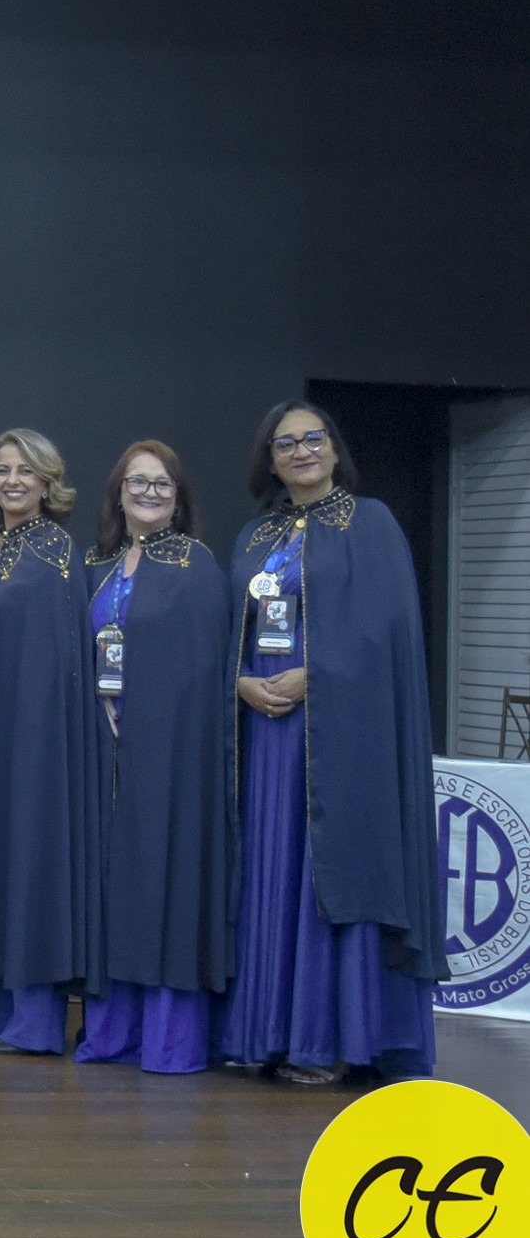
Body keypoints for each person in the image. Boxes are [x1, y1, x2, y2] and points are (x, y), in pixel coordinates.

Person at [220, 402, 441, 1083]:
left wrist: (316, 675)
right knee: (271, 874)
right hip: (265, 736)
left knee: (328, 871)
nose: (302, 450)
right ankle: (266, 1033)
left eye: (314, 438)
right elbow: (228, 629)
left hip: (340, 736)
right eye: (286, 443)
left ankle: (331, 1040)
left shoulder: (371, 524)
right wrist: (238, 681)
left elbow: (387, 635)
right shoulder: (255, 535)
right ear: (270, 460)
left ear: (335, 449)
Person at [72, 441, 233, 1076]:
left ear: (178, 496)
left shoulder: (197, 565)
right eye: (137, 482)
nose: (149, 492)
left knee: (166, 880)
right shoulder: (95, 566)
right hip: (102, 752)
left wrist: (143, 708)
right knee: (113, 886)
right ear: (118, 492)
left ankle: (169, 1039)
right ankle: (111, 1031)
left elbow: (204, 671)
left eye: (162, 483)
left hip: (170, 756)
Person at [0, 428, 99, 1056]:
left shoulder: (55, 552)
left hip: (33, 741)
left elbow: (60, 663)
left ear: (47, 482)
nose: (13, 481)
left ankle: (35, 1021)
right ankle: (3, 1012)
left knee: (31, 859)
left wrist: (37, 742)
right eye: (3, 470)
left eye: (26, 471)